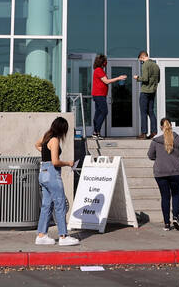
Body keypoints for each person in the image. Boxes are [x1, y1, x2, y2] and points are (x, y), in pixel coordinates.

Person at [34, 116, 80, 246]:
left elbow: (36, 144)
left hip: (43, 173)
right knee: (60, 205)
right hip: (52, 175)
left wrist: (45, 152)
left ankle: (41, 235)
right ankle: (63, 236)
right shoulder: (54, 140)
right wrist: (68, 163)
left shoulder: (46, 136)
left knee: (46, 205)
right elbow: (55, 162)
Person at [147, 117, 179, 230]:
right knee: (176, 195)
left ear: (161, 127)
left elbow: (150, 156)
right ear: (171, 126)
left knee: (165, 197)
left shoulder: (155, 141)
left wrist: (160, 158)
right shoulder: (177, 138)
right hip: (176, 172)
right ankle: (175, 217)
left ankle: (166, 223)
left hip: (161, 172)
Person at [91, 54, 126, 139]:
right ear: (102, 62)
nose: (106, 62)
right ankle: (96, 132)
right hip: (99, 95)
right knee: (104, 112)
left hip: (100, 95)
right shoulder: (99, 70)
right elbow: (106, 81)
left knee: (98, 112)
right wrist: (118, 78)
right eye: (105, 61)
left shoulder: (99, 70)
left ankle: (96, 132)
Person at [133, 50, 160, 139]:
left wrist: (137, 78)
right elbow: (158, 80)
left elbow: (145, 79)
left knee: (143, 113)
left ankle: (143, 133)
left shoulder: (145, 65)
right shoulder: (156, 66)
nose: (141, 62)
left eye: (141, 60)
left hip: (145, 92)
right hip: (153, 91)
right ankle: (154, 131)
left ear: (142, 57)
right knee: (151, 112)